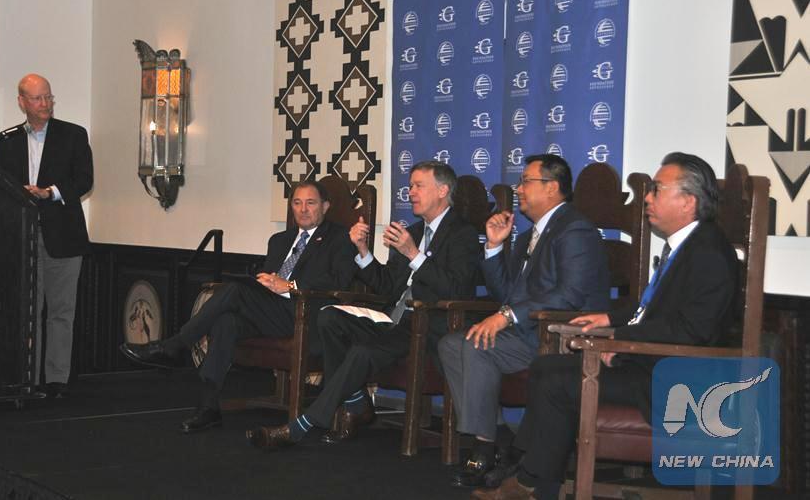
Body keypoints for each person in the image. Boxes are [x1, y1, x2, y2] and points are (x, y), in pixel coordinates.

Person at [473, 152, 738, 500]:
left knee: (556, 380)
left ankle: (530, 479)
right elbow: (655, 310)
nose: (647, 197)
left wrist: (619, 341)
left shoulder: (707, 253)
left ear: (688, 201)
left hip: (676, 382)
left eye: (657, 189)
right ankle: (531, 475)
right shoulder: (690, 245)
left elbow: (691, 332)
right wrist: (611, 318)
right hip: (654, 364)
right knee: (547, 367)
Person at [247, 160, 481, 449]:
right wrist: (362, 250)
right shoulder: (414, 232)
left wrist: (413, 254)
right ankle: (356, 401)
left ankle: (304, 424)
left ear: (443, 190)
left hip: (426, 325)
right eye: (410, 186)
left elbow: (457, 289)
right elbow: (387, 287)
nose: (410, 192)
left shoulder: (462, 234)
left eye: (418, 186)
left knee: (361, 352)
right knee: (329, 316)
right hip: (392, 319)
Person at [120, 181, 357, 433]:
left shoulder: (340, 238)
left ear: (325, 206)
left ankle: (175, 345)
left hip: (304, 314)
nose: (303, 209)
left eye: (310, 203)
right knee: (227, 322)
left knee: (233, 291)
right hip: (270, 311)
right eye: (297, 203)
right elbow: (269, 279)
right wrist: (266, 282)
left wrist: (289, 285)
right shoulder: (280, 240)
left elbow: (338, 282)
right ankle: (208, 407)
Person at [439, 154, 609, 488]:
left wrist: (506, 316)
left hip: (561, 338)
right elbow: (506, 293)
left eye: (526, 182)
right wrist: (493, 247)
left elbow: (570, 295)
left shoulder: (574, 230)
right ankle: (499, 435)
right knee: (450, 345)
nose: (518, 189)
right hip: (527, 332)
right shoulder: (531, 234)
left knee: (476, 346)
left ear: (552, 187)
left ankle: (484, 449)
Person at [0, 73, 94, 399]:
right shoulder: (4, 142)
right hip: (21, 236)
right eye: (37, 98)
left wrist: (50, 192)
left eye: (48, 97)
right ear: (22, 102)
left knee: (61, 312)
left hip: (64, 235)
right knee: (27, 311)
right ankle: (27, 377)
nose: (45, 104)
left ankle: (56, 380)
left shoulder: (73, 135)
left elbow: (84, 180)